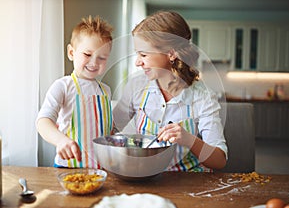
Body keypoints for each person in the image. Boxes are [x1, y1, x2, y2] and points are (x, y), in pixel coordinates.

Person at [113, 11, 227, 172]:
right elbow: (112, 129)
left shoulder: (202, 96)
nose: (138, 62)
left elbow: (220, 160)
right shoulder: (136, 86)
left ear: (171, 54)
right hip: (147, 179)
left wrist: (188, 139)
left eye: (143, 54)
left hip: (190, 184)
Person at [36, 15, 113, 169]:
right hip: (69, 167)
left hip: (101, 168)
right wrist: (60, 140)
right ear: (71, 53)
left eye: (102, 58)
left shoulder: (106, 90)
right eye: (87, 54)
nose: (94, 62)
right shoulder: (63, 86)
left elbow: (106, 129)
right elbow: (43, 122)